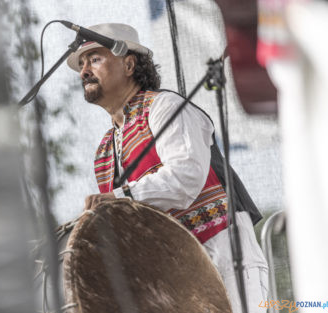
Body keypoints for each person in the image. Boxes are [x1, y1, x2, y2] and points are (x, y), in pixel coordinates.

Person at [66, 23, 269, 313]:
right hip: (171, 280)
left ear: (129, 64)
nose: (84, 70)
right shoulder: (103, 153)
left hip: (224, 256)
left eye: (95, 59)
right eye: (82, 63)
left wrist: (121, 197)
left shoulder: (165, 106)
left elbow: (186, 177)